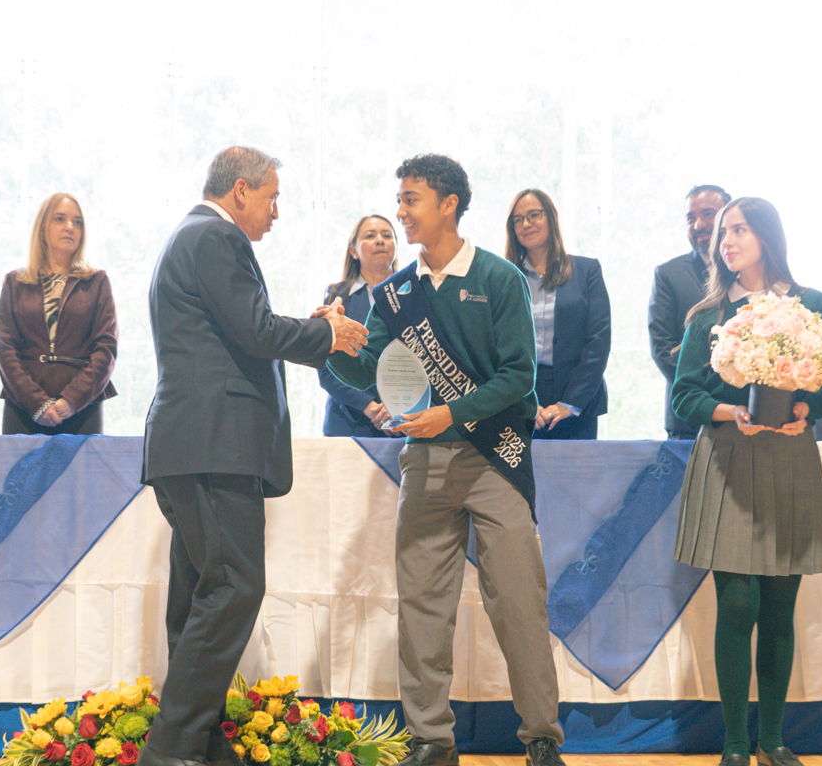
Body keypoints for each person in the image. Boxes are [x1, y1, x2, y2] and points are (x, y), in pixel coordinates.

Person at [327, 155, 566, 766]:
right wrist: (331, 342)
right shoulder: (394, 292)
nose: (400, 213)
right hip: (425, 462)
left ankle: (541, 737)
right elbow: (371, 370)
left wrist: (451, 413)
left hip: (495, 461)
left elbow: (519, 376)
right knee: (423, 607)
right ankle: (432, 740)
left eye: (410, 200)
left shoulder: (500, 278)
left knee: (519, 603)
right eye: (400, 201)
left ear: (449, 204)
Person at [139, 146, 368, 766]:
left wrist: (314, 326)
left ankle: (201, 740)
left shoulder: (191, 236)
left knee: (201, 594)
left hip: (193, 444)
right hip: (214, 444)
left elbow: (241, 330)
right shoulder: (216, 237)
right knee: (235, 587)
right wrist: (329, 334)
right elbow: (257, 331)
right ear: (240, 190)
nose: (276, 212)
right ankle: (170, 749)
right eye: (272, 197)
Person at [671, 197, 822, 766]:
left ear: (767, 235)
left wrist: (804, 409)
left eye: (739, 229)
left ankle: (773, 740)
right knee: (737, 604)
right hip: (728, 460)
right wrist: (730, 412)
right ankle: (735, 744)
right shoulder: (708, 315)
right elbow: (684, 396)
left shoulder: (814, 306)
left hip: (790, 460)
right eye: (723, 232)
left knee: (779, 607)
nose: (726, 241)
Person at [0, 193, 118, 435]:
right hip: (23, 407)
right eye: (60, 219)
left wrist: (71, 401)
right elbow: (6, 350)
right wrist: (37, 403)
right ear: (42, 227)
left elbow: (106, 350)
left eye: (77, 222)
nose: (70, 227)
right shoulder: (14, 282)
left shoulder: (97, 281)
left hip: (82, 409)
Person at [504, 189, 610, 439]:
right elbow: (499, 348)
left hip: (578, 398)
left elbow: (598, 342)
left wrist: (570, 404)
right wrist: (525, 403)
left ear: (550, 217)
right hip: (521, 396)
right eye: (518, 220)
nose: (526, 224)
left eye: (534, 215)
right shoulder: (505, 277)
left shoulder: (587, 270)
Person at [650, 185, 731, 438]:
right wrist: (708, 396)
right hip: (687, 418)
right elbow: (662, 347)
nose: (699, 225)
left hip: (745, 415)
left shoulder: (748, 270)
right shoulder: (668, 274)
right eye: (690, 218)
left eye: (708, 214)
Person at [317, 215, 399, 436]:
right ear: (353, 251)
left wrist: (399, 405)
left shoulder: (412, 292)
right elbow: (325, 365)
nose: (380, 240)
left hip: (402, 422)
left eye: (387, 235)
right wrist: (369, 406)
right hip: (348, 423)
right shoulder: (337, 296)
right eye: (370, 236)